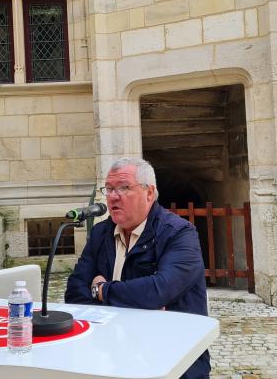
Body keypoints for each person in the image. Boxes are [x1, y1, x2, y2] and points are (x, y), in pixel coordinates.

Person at [65, 157, 210, 379]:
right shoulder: (100, 233)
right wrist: (131, 302)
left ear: (149, 193)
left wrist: (102, 290)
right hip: (112, 358)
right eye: (109, 189)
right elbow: (74, 292)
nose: (113, 196)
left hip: (174, 361)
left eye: (124, 188)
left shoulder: (179, 233)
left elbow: (158, 290)